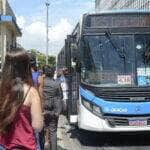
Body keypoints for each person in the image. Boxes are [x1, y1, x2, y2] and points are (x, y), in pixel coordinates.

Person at [0, 48, 43, 149]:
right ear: (26, 66)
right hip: (25, 145)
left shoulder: (2, 89)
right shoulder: (31, 92)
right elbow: (38, 126)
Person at [43, 66, 62, 150]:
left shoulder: (41, 82)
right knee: (53, 132)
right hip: (53, 111)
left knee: (40, 132)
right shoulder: (57, 83)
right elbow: (60, 97)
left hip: (42, 110)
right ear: (53, 73)